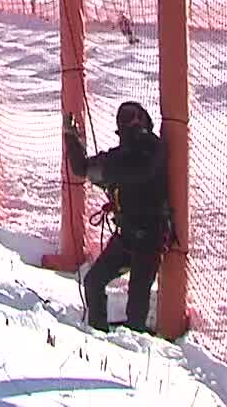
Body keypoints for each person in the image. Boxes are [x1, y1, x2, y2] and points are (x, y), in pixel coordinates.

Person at [64, 102, 171, 333]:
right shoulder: (120, 156)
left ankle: (134, 352)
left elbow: (139, 170)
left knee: (136, 311)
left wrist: (109, 173)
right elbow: (82, 169)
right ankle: (97, 335)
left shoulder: (152, 149)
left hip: (150, 239)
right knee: (93, 282)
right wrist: (72, 139)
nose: (131, 129)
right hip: (126, 237)